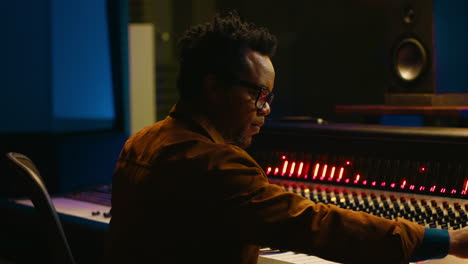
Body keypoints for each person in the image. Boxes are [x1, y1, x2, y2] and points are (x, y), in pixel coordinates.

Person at [104, 11, 468, 264]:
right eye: (258, 95)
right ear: (214, 87)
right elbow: (318, 225)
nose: (266, 110)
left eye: (269, 98)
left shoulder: (142, 141)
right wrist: (447, 239)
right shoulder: (213, 164)